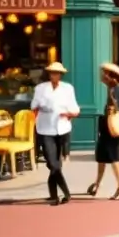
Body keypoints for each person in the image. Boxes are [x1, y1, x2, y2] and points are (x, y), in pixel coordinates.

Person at [31, 62, 79, 206]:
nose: (55, 75)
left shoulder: (68, 88)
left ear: (61, 75)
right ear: (49, 74)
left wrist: (71, 113)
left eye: (57, 73)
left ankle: (53, 196)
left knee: (56, 165)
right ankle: (66, 193)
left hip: (62, 128)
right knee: (53, 164)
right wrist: (41, 105)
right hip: (45, 129)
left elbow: (74, 107)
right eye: (52, 73)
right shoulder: (40, 88)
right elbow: (33, 105)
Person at [88, 63, 119, 200]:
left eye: (104, 73)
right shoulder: (111, 89)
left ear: (110, 76)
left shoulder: (118, 89)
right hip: (106, 126)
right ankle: (97, 185)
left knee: (113, 156)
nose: (101, 75)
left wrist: (114, 107)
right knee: (102, 156)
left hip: (112, 127)